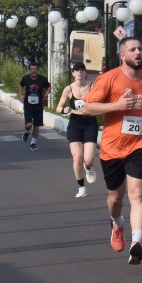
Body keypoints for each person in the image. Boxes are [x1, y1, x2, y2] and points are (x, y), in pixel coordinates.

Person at [78, 36, 142, 264]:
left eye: (140, 48)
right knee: (115, 198)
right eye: (133, 49)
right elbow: (87, 108)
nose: (138, 52)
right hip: (113, 148)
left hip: (139, 144)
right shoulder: (108, 79)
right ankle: (117, 223)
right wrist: (117, 106)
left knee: (137, 195)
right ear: (122, 55)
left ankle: (137, 243)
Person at [57, 63, 99, 198]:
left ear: (85, 73)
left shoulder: (93, 87)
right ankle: (82, 187)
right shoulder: (68, 89)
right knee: (77, 157)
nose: (80, 72)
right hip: (75, 123)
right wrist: (64, 110)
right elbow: (58, 107)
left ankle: (88, 168)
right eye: (77, 70)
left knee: (89, 159)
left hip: (90, 123)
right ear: (73, 73)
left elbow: (102, 101)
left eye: (82, 70)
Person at [18, 60, 51, 151]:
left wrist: (47, 92)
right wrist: (20, 95)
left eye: (35, 69)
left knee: (36, 126)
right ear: (29, 70)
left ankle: (33, 144)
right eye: (32, 69)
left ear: (38, 70)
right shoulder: (26, 78)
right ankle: (27, 131)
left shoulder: (42, 79)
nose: (34, 71)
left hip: (38, 106)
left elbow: (48, 86)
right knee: (29, 124)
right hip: (28, 106)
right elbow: (20, 85)